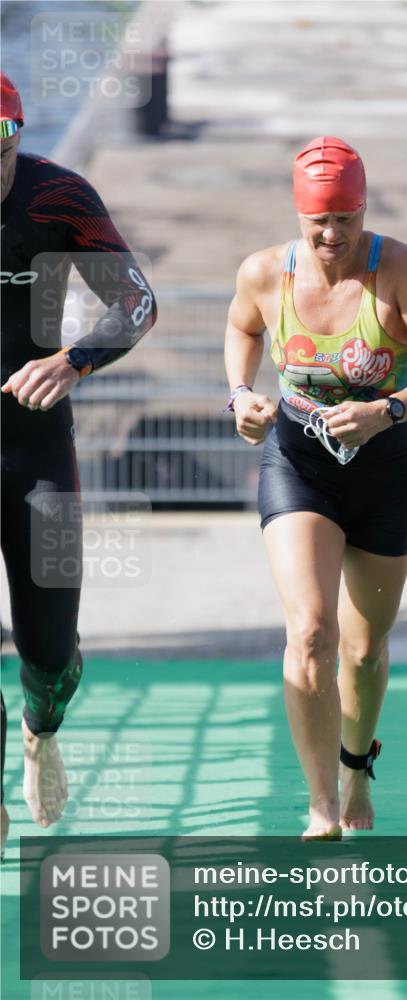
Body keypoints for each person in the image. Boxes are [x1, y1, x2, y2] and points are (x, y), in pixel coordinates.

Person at [224, 136, 407, 840]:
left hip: (386, 470)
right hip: (298, 465)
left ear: (364, 211)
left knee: (363, 652)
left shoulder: (401, 270)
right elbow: (240, 328)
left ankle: (356, 768)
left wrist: (386, 409)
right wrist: (240, 394)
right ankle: (320, 805)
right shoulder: (263, 272)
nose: (333, 236)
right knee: (309, 631)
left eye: (347, 220)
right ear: (297, 216)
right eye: (318, 224)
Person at [0, 73, 157, 855]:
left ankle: (40, 729)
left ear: (18, 133)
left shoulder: (57, 197)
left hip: (36, 449)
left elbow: (136, 303)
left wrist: (73, 359)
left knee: (51, 647)